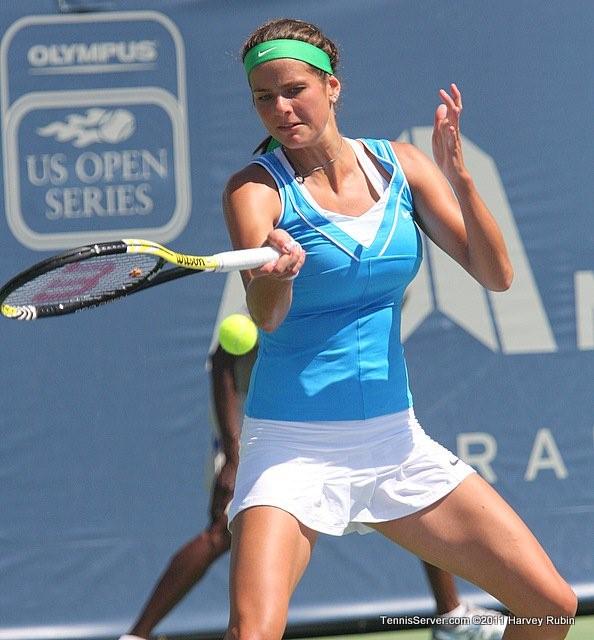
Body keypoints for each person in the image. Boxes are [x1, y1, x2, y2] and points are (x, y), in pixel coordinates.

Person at [221, 17, 577, 640]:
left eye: (293, 89)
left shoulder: (403, 166)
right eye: (262, 96)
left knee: (549, 606)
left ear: (332, 87)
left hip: (392, 442)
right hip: (290, 446)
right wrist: (277, 273)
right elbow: (267, 315)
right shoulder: (256, 191)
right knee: (253, 633)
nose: (279, 108)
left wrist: (459, 178)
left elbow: (496, 277)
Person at [117, 271, 507, 640]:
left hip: (340, 426)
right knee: (221, 535)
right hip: (261, 432)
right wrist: (235, 456)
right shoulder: (295, 287)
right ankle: (138, 632)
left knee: (418, 498)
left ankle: (450, 615)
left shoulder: (390, 280)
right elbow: (223, 361)